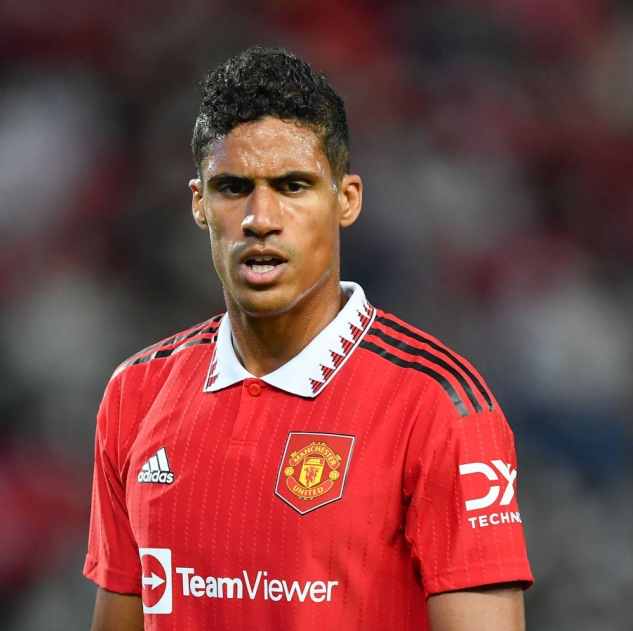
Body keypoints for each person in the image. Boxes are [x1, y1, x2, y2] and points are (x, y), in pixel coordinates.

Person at [84, 46, 533, 631]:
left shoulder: (438, 406)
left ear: (345, 200)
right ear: (199, 203)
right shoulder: (136, 394)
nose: (260, 218)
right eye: (232, 188)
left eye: (292, 186)